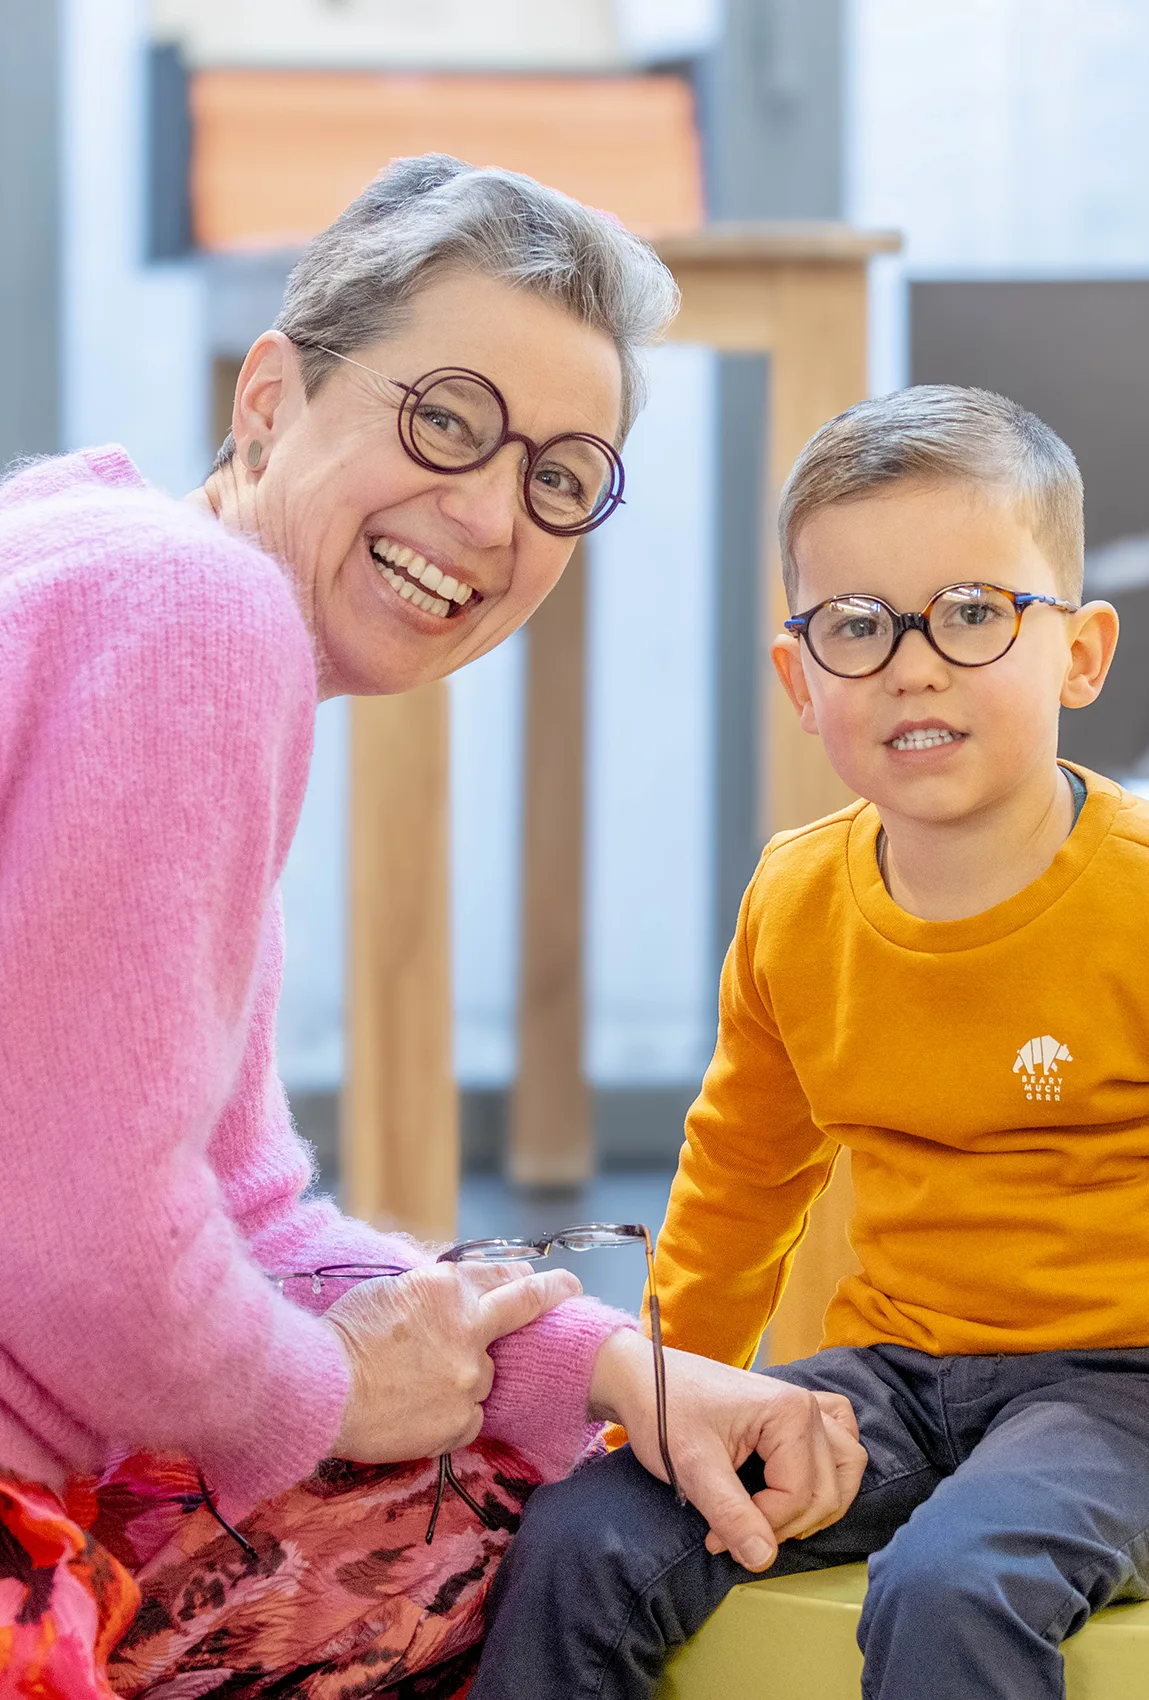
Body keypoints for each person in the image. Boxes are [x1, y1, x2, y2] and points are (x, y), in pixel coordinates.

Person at [0, 155, 866, 1700]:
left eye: (557, 477)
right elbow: (93, 1257)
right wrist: (326, 1390)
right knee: (529, 1538)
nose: (484, 517)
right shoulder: (200, 618)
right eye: (446, 421)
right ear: (270, 393)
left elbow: (238, 1212)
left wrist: (598, 1367)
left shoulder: (91, 551)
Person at [471, 385, 1149, 1700]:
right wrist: (656, 1405)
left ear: (1079, 652)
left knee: (955, 1583)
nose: (913, 663)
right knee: (585, 1537)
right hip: (900, 1377)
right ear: (798, 678)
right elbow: (736, 1184)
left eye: (974, 611)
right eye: (856, 626)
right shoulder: (796, 899)